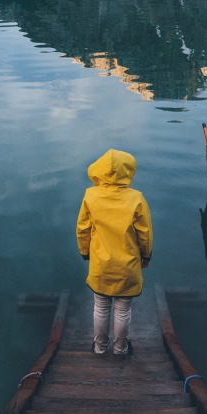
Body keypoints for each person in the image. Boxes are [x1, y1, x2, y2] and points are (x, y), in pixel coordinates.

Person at [76, 148, 153, 356]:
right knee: (123, 310)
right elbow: (145, 234)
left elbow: (82, 230)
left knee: (100, 308)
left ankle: (100, 348)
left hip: (101, 265)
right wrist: (146, 256)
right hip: (127, 267)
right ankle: (121, 348)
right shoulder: (136, 199)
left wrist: (86, 253)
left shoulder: (90, 196)